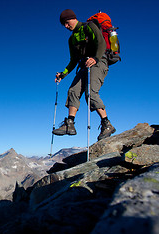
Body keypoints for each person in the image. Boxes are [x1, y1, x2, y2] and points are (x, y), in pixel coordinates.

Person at [53, 9, 116, 141]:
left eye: (67, 22)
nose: (66, 26)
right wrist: (62, 74)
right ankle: (70, 124)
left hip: (99, 62)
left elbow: (101, 43)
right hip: (84, 65)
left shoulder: (89, 26)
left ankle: (106, 124)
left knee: (91, 93)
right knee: (73, 91)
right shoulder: (71, 39)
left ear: (73, 18)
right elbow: (73, 60)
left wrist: (96, 58)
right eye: (63, 24)